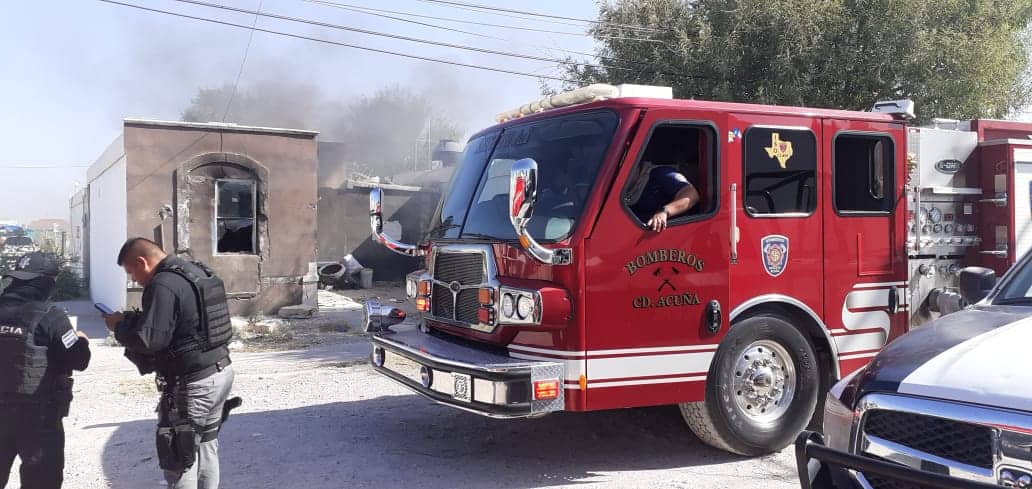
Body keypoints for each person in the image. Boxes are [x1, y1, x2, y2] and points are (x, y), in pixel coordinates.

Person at [104, 238, 236, 489]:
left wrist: (118, 327)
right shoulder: (195, 271)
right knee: (205, 448)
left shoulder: (162, 284)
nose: (134, 280)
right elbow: (183, 324)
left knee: (179, 457)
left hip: (193, 384)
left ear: (142, 261)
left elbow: (149, 341)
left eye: (132, 272)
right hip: (219, 371)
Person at [0, 252, 90, 489]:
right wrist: (81, 340)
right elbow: (79, 360)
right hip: (38, 417)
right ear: (47, 283)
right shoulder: (51, 316)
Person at [628, 163, 701, 232]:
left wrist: (664, 212)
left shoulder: (661, 174)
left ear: (636, 166)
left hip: (670, 235)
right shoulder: (622, 188)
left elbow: (691, 194)